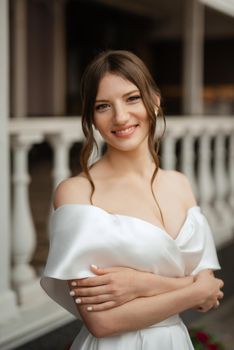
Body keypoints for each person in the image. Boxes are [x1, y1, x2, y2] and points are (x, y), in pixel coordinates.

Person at [40, 50, 223, 350]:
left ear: (155, 99)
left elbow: (211, 295)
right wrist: (191, 290)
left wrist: (143, 284)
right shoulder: (77, 193)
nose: (120, 116)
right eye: (103, 106)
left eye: (132, 98)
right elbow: (102, 322)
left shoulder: (179, 184)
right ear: (91, 119)